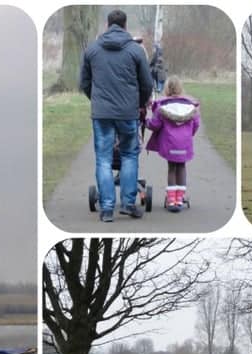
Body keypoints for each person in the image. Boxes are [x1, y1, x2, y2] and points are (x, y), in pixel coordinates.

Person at [80, 9, 154, 222]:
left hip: (101, 113)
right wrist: (138, 104)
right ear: (125, 25)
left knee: (103, 158)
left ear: (107, 24)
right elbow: (147, 84)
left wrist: (96, 100)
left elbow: (84, 82)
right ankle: (128, 204)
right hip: (127, 113)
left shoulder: (92, 49)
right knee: (129, 155)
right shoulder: (135, 50)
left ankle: (106, 208)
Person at [145, 76, 200, 212]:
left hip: (170, 144)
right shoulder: (190, 107)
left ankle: (171, 200)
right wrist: (189, 134)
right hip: (185, 142)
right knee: (181, 167)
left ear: (167, 89)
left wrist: (145, 121)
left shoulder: (162, 107)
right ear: (180, 88)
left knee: (172, 168)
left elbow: (155, 125)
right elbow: (196, 123)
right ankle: (179, 199)